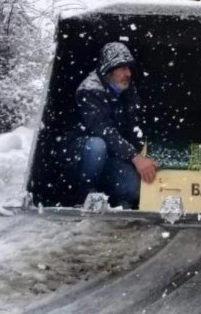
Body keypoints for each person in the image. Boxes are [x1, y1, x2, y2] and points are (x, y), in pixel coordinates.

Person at [64, 42, 158, 209]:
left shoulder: (126, 90)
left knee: (134, 189)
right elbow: (103, 130)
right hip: (80, 157)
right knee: (96, 145)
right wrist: (135, 158)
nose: (128, 73)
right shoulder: (89, 90)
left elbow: (135, 128)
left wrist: (145, 154)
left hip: (111, 155)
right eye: (122, 68)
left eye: (129, 68)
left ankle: (112, 198)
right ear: (108, 70)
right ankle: (84, 196)